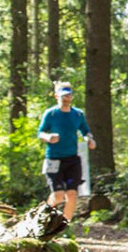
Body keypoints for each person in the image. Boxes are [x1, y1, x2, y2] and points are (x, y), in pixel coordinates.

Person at [38, 81, 96, 228]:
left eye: (68, 96)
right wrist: (48, 137)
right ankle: (43, 218)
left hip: (72, 159)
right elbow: (40, 132)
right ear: (56, 96)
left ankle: (64, 227)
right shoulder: (50, 114)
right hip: (54, 158)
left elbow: (85, 130)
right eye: (63, 96)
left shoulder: (78, 114)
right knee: (58, 195)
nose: (66, 98)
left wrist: (89, 139)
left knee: (71, 194)